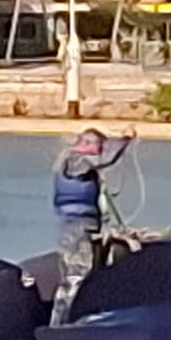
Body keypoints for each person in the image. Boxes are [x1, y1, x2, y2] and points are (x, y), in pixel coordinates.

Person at [51, 127, 135, 325]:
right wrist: (125, 140)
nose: (100, 150)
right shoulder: (74, 161)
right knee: (76, 275)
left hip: (85, 226)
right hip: (75, 227)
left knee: (87, 274)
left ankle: (75, 320)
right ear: (86, 144)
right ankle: (62, 323)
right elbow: (106, 159)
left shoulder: (80, 163)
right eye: (99, 145)